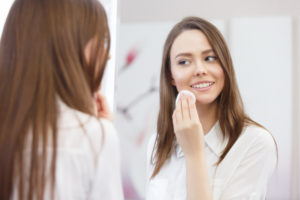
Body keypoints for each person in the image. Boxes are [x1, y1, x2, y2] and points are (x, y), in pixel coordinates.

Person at [0, 0, 123, 199]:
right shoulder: (95, 137)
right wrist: (98, 137)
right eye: (100, 40)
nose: (107, 55)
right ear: (68, 45)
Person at [146, 17, 277, 200]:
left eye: (210, 58)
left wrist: (194, 154)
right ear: (171, 76)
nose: (200, 69)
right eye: (184, 62)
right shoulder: (157, 144)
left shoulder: (256, 143)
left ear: (224, 65)